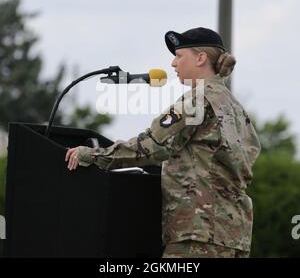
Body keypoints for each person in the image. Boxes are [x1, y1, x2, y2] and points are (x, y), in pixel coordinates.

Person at [65, 27, 261, 258]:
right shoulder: (235, 108)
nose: (173, 63)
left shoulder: (198, 99)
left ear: (201, 58)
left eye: (179, 56)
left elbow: (152, 146)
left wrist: (93, 155)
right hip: (233, 236)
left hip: (197, 235)